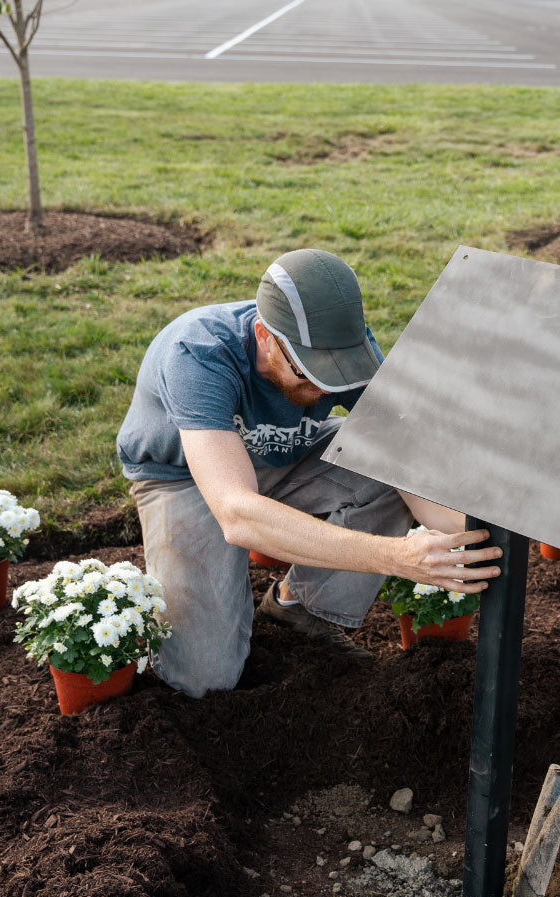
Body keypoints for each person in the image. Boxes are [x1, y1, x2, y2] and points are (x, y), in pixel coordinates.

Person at [115, 249, 499, 698]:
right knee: (205, 679)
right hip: (184, 475)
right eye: (308, 374)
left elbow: (404, 464)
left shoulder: (350, 353)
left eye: (336, 378)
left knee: (383, 468)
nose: (322, 389)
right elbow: (236, 512)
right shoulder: (197, 353)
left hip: (289, 449)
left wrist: (475, 535)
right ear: (264, 336)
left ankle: (299, 609)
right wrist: (399, 557)